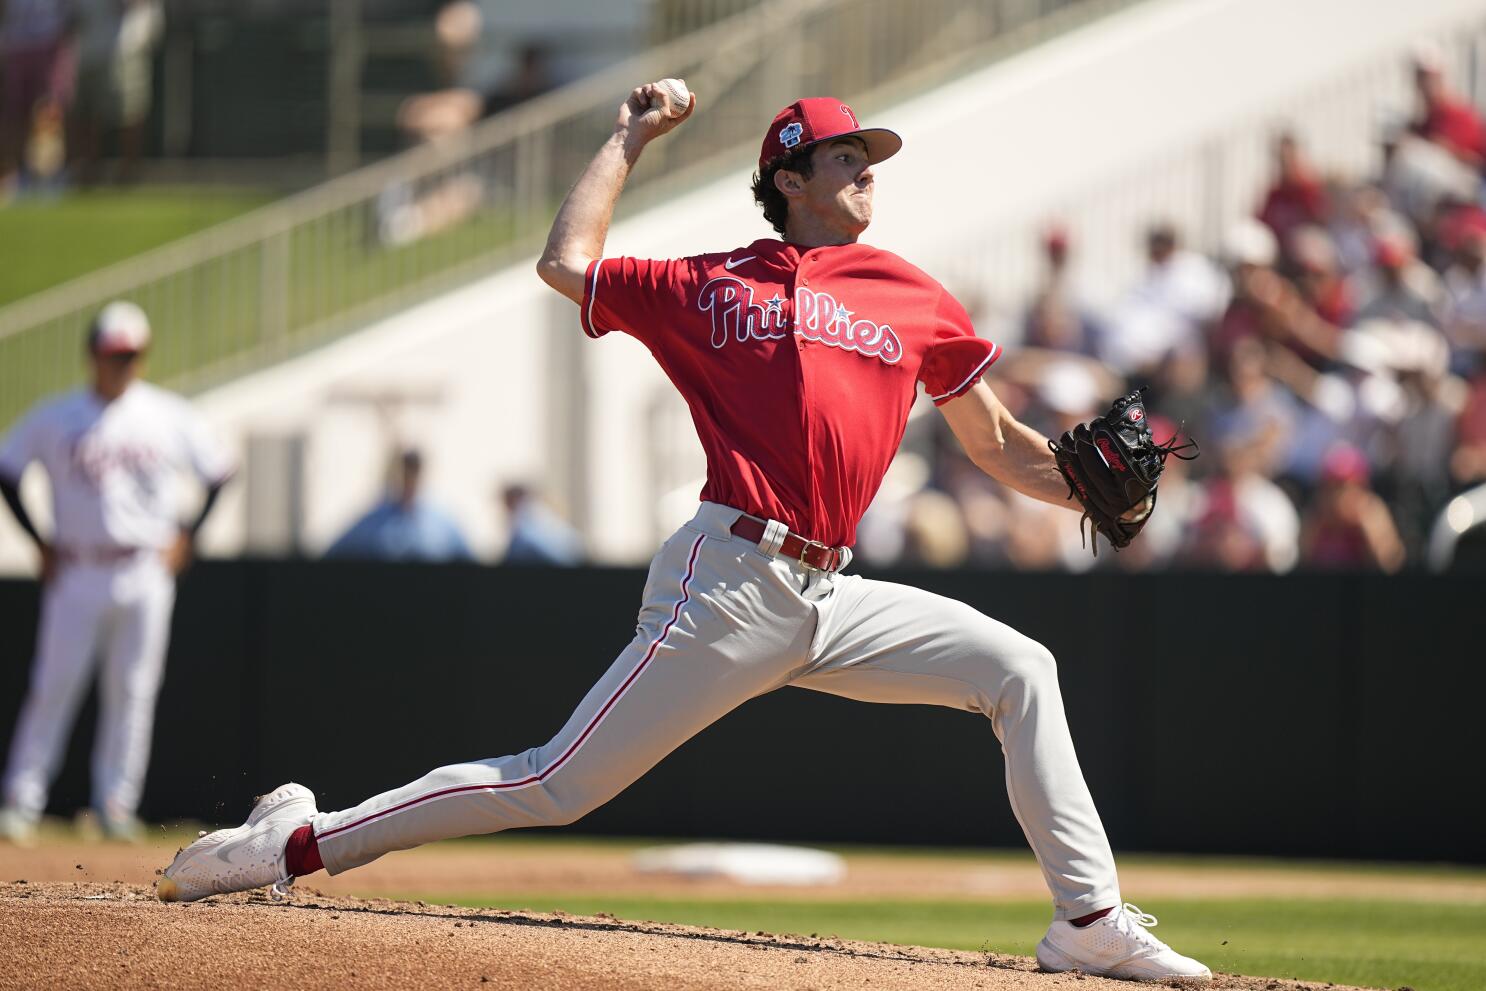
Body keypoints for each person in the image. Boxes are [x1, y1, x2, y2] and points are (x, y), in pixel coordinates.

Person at [157, 84, 1212, 984]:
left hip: (831, 595)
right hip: (730, 577)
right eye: (846, 157)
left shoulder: (913, 295)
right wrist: (628, 137)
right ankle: (293, 843)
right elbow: (566, 265)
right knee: (555, 783)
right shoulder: (710, 285)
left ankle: (1086, 921)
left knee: (1019, 666)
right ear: (788, 176)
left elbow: (997, 446)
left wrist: (1085, 494)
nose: (867, 173)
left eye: (869, 160)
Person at [0, 302, 233, 844]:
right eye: (113, 354)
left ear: (142, 357)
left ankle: (115, 803)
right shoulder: (56, 415)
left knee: (134, 690)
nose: (122, 364)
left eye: (131, 355)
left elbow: (220, 471)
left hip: (143, 568)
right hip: (78, 568)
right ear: (93, 355)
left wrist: (188, 536)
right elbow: (8, 470)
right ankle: (21, 800)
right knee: (53, 686)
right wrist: (39, 542)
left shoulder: (168, 414)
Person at [324, 449, 473, 562]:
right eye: (406, 470)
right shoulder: (374, 522)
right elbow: (336, 552)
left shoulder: (441, 524)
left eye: (414, 471)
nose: (409, 478)